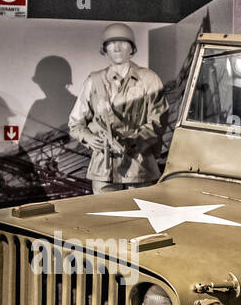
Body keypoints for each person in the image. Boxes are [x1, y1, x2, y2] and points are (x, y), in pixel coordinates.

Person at [68, 23, 168, 193]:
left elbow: (158, 121)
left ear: (132, 48)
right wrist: (89, 138)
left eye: (123, 42)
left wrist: (134, 141)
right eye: (111, 43)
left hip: (140, 168)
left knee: (141, 218)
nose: (117, 47)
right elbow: (75, 124)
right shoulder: (94, 81)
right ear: (105, 49)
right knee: (104, 217)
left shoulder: (149, 79)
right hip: (103, 169)